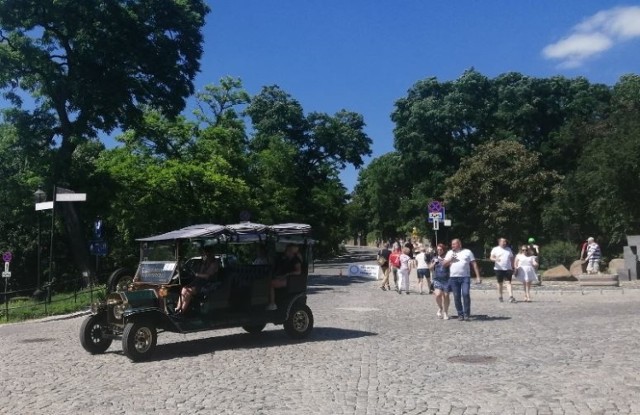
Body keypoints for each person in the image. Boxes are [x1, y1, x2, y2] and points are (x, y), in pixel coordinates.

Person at [442, 239, 482, 321]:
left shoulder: (467, 252)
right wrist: (451, 259)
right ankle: (460, 314)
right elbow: (444, 264)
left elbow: (474, 264)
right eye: (452, 244)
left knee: (465, 294)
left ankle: (466, 313)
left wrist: (478, 276)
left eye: (454, 244)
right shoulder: (450, 253)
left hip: (465, 277)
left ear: (459, 244)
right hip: (453, 278)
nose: (452, 246)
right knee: (457, 296)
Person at [174, 245, 219, 315]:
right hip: (199, 281)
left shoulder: (214, 264)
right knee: (184, 288)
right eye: (204, 254)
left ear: (210, 253)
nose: (205, 255)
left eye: (206, 253)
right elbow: (201, 272)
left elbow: (207, 276)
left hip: (208, 283)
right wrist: (201, 266)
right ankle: (177, 309)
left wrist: (197, 274)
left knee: (188, 292)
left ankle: (181, 312)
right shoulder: (205, 262)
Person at [266, 244, 302, 310]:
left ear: (291, 252)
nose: (286, 252)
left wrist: (287, 274)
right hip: (285, 278)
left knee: (271, 283)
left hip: (290, 281)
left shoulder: (295, 260)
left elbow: (298, 271)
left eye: (287, 250)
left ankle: (272, 304)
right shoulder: (287, 259)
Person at [490, 237, 515, 303]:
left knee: (508, 282)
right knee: (500, 283)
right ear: (499, 242)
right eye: (503, 241)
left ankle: (511, 296)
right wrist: (496, 259)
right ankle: (500, 296)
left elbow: (512, 258)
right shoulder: (495, 249)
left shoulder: (508, 249)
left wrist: (513, 267)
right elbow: (491, 257)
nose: (504, 243)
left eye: (505, 242)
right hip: (498, 268)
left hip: (508, 268)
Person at [430, 244, 451, 320]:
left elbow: (451, 266)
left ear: (444, 250)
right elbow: (430, 268)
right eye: (437, 250)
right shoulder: (435, 258)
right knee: (438, 295)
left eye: (440, 250)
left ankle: (445, 312)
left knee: (446, 296)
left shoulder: (447, 258)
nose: (439, 251)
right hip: (437, 279)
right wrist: (434, 263)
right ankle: (440, 308)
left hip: (446, 279)